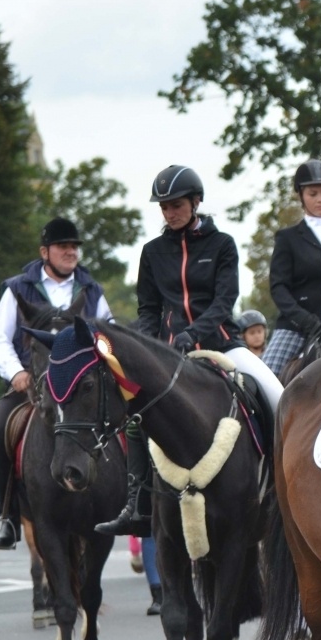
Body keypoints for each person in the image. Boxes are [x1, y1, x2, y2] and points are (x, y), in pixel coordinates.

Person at [97, 168, 285, 537]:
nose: (170, 213)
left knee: (277, 397)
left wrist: (191, 334)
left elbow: (224, 301)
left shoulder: (222, 245)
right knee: (135, 412)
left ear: (195, 202)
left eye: (176, 205)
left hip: (221, 343)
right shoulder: (152, 253)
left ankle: (282, 487)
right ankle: (137, 504)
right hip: (168, 354)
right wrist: (146, 347)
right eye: (164, 207)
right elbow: (148, 311)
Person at [0, 218, 114, 549]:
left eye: (75, 246)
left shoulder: (91, 291)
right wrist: (15, 372)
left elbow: (110, 332)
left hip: (82, 388)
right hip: (31, 386)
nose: (71, 252)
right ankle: (4, 514)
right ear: (44, 252)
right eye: (64, 246)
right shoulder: (17, 288)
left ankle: (133, 500)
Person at [263, 159, 321, 378]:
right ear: (301, 196)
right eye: (313, 194)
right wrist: (306, 321)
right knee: (265, 377)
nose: (320, 199)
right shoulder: (288, 238)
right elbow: (279, 288)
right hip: (296, 325)